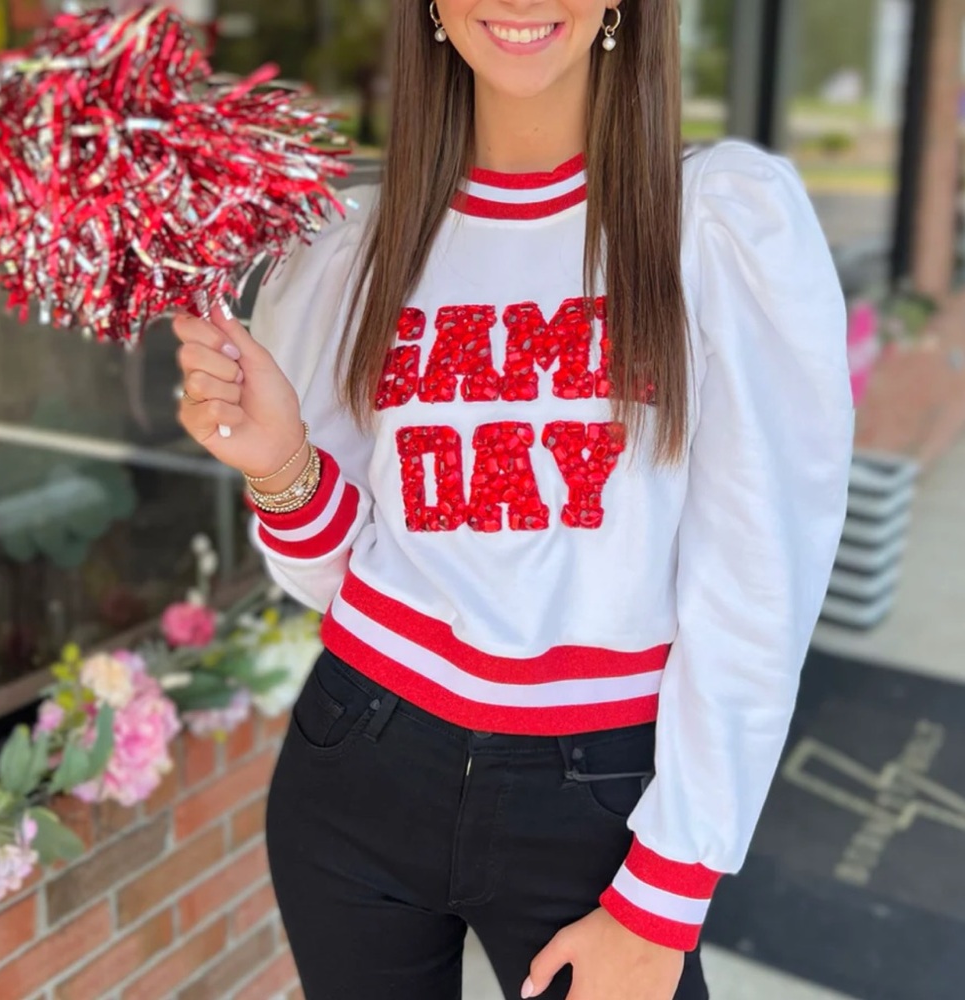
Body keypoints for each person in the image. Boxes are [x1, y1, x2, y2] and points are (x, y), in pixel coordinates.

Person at [172, 2, 854, 998]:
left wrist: (664, 892)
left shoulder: (714, 222)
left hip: (601, 801)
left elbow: (761, 584)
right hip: (357, 759)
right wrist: (282, 465)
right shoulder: (353, 248)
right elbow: (334, 578)